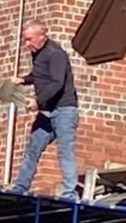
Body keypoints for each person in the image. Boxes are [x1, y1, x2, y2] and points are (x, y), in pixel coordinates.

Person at [10, 21, 80, 198]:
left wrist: (38, 102)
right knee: (33, 148)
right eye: (25, 40)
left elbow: (57, 82)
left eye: (29, 40)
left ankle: (70, 192)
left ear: (42, 36)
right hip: (46, 112)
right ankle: (20, 187)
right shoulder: (38, 53)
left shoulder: (56, 54)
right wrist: (23, 80)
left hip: (64, 110)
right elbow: (40, 76)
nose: (27, 45)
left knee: (65, 151)